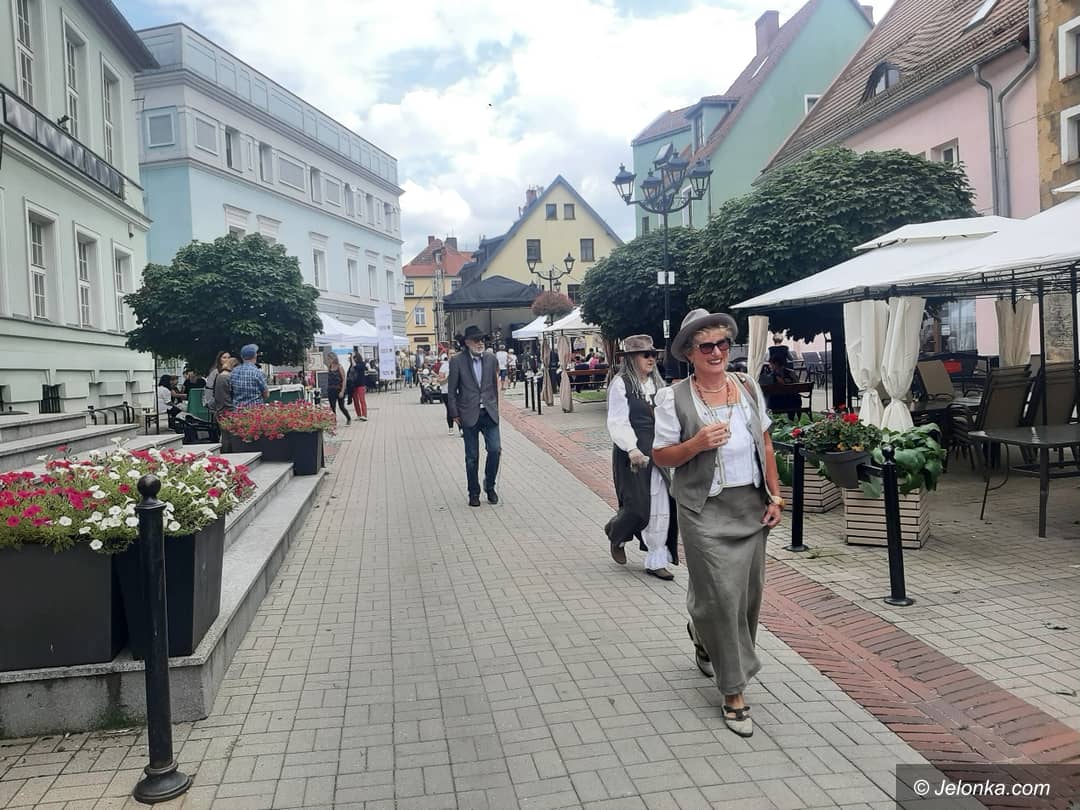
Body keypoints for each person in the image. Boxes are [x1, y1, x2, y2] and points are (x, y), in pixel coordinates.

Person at [652, 310, 783, 740]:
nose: (716, 352)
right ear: (690, 353)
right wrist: (695, 444)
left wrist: (776, 495)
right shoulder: (672, 397)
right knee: (724, 599)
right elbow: (661, 455)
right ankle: (733, 691)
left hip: (750, 506)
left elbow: (765, 442)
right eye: (705, 346)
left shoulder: (747, 387)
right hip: (703, 510)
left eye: (722, 343)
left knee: (747, 598)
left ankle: (701, 632)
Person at [605, 335, 679, 580]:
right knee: (637, 507)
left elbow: (669, 418)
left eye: (653, 354)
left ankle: (656, 559)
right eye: (645, 355)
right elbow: (618, 421)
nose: (651, 359)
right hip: (632, 454)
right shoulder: (621, 384)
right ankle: (616, 532)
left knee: (662, 505)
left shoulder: (659, 385)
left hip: (658, 451)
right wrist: (631, 448)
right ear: (631, 358)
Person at [446, 325, 501, 507]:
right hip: (468, 413)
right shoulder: (457, 361)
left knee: (495, 449)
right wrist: (454, 413)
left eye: (482, 340)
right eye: (476, 340)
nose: (480, 343)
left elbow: (493, 386)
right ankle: (473, 492)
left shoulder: (491, 358)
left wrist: (495, 407)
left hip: (489, 413)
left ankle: (489, 485)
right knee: (472, 457)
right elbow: (451, 391)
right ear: (467, 342)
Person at [230, 344, 269, 408]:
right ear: (255, 355)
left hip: (238, 410)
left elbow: (230, 391)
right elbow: (266, 394)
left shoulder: (234, 371)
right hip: (254, 410)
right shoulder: (258, 372)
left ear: (242, 356)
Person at [326, 353, 351, 425]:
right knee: (332, 406)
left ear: (333, 358)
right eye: (328, 359)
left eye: (329, 359)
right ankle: (333, 421)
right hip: (331, 389)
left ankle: (348, 418)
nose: (328, 360)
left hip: (338, 389)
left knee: (341, 406)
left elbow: (344, 379)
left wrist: (342, 391)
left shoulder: (339, 367)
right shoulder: (329, 367)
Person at [435, 352, 456, 435]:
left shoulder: (460, 364)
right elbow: (439, 381)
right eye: (451, 353)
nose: (453, 355)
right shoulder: (444, 366)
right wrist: (447, 379)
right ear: (448, 355)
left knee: (460, 409)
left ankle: (461, 428)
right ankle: (451, 427)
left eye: (454, 353)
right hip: (446, 391)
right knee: (450, 409)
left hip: (458, 392)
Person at [347, 354, 368, 421]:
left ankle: (364, 415)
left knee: (362, 400)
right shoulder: (351, 365)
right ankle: (358, 415)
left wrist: (352, 360)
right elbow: (349, 373)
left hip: (361, 384)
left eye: (354, 358)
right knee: (355, 401)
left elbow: (356, 367)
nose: (353, 360)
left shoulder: (361, 364)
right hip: (353, 385)